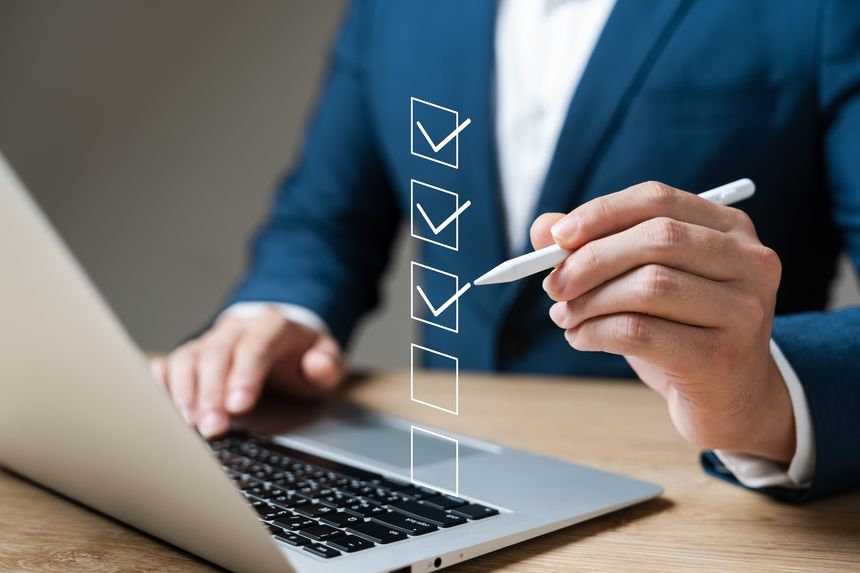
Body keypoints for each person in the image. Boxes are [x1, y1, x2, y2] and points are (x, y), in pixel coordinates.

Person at [150, 0, 860, 502]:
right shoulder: (391, 8)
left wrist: (763, 397)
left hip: (692, 497)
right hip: (436, 477)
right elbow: (324, 218)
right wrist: (279, 312)